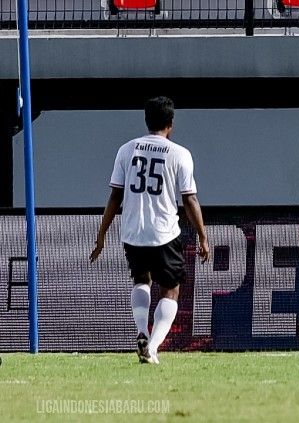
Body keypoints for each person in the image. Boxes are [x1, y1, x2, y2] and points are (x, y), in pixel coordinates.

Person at [90, 96, 210, 365]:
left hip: (133, 232)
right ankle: (153, 346)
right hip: (164, 232)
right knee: (171, 290)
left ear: (146, 120)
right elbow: (189, 199)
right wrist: (202, 235)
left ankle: (142, 331)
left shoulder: (127, 150)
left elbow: (114, 197)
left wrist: (101, 235)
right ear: (171, 123)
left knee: (141, 280)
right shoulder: (180, 154)